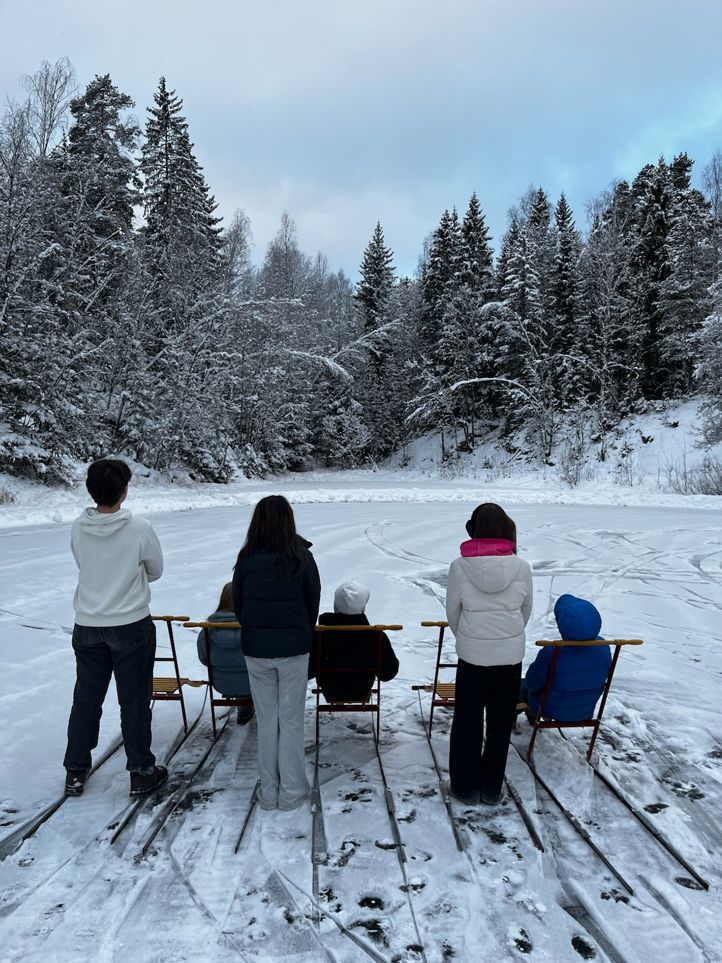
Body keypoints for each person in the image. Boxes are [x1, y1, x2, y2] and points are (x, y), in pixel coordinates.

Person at [64, 459, 168, 798]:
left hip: (88, 623)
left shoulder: (78, 528)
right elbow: (155, 570)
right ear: (124, 491)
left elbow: (83, 564)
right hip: (130, 624)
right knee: (134, 700)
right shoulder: (139, 528)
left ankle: (75, 769)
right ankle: (141, 771)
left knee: (86, 699)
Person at [232, 495, 320, 811]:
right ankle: (292, 791)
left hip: (256, 651)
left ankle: (269, 792)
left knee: (267, 721)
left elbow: (239, 606)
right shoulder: (302, 558)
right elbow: (312, 604)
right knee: (291, 720)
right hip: (294, 649)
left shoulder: (246, 559)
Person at [445, 503, 533, 806]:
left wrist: (470, 638)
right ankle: (492, 789)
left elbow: (453, 613)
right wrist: (506, 637)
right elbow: (525, 611)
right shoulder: (522, 567)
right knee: (500, 723)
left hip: (472, 656)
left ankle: (465, 788)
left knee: (467, 721)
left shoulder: (459, 567)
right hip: (510, 657)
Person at [520, 594, 611, 722]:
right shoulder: (603, 647)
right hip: (584, 711)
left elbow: (533, 683)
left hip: (548, 709)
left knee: (517, 686)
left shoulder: (553, 651)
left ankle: (512, 718)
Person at [310, 581, 399, 703]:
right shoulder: (376, 636)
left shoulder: (320, 635)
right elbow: (388, 673)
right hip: (361, 690)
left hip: (331, 690)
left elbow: (309, 670)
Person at [196, 583, 254, 724]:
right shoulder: (255, 627)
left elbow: (204, 658)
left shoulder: (208, 630)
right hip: (256, 684)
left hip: (222, 684)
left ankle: (243, 706)